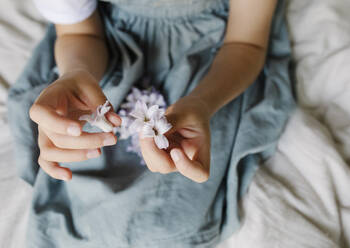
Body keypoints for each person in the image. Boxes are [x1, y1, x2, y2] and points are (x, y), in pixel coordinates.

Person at [7, 0, 295, 247]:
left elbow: (246, 43)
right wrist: (76, 74)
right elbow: (80, 33)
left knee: (171, 213)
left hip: (217, 59)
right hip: (106, 49)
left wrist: (201, 104)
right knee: (75, 205)